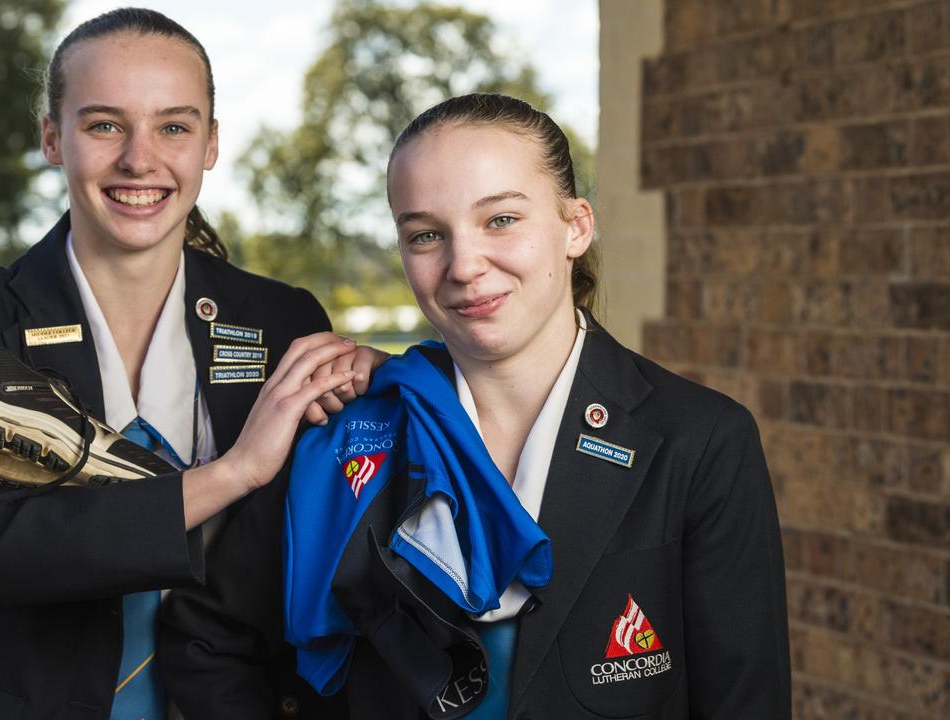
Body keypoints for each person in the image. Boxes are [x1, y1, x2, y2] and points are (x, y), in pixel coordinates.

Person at [160, 93, 792, 719]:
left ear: (575, 226)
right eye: (427, 234)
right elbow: (205, 640)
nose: (464, 265)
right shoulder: (346, 429)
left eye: (501, 220)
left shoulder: (702, 442)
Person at [0, 8, 383, 719]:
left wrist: (392, 379)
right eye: (105, 124)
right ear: (52, 137)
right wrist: (234, 474)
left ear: (210, 144)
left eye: (174, 126)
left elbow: (319, 540)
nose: (141, 158)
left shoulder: (282, 323)